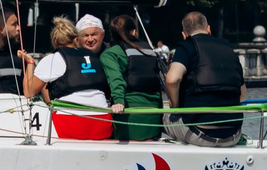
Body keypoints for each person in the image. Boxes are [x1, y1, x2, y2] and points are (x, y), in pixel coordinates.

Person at [22, 15, 118, 139]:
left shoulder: (52, 59)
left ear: (54, 42)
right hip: (103, 123)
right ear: (76, 39)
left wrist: (30, 63)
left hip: (71, 124)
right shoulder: (94, 56)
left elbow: (28, 92)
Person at [163, 11, 246, 145]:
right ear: (208, 29)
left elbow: (172, 80)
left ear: (184, 35)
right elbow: (243, 95)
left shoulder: (186, 46)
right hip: (233, 134)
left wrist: (175, 106)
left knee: (163, 117)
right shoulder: (227, 48)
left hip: (200, 133)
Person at [105, 14, 164, 141]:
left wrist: (119, 101)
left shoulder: (110, 54)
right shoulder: (151, 52)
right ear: (134, 32)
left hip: (127, 121)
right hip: (154, 122)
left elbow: (116, 80)